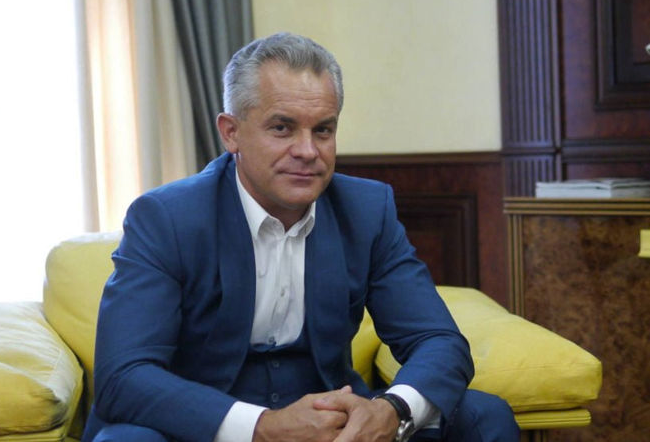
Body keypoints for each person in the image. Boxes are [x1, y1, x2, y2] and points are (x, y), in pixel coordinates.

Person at [83, 32, 519, 442]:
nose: (308, 151)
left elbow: (439, 341)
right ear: (231, 132)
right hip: (207, 425)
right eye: (282, 128)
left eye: (323, 130)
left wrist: (391, 411)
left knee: (485, 416)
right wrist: (263, 427)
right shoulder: (167, 217)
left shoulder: (366, 211)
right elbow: (124, 376)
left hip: (332, 423)